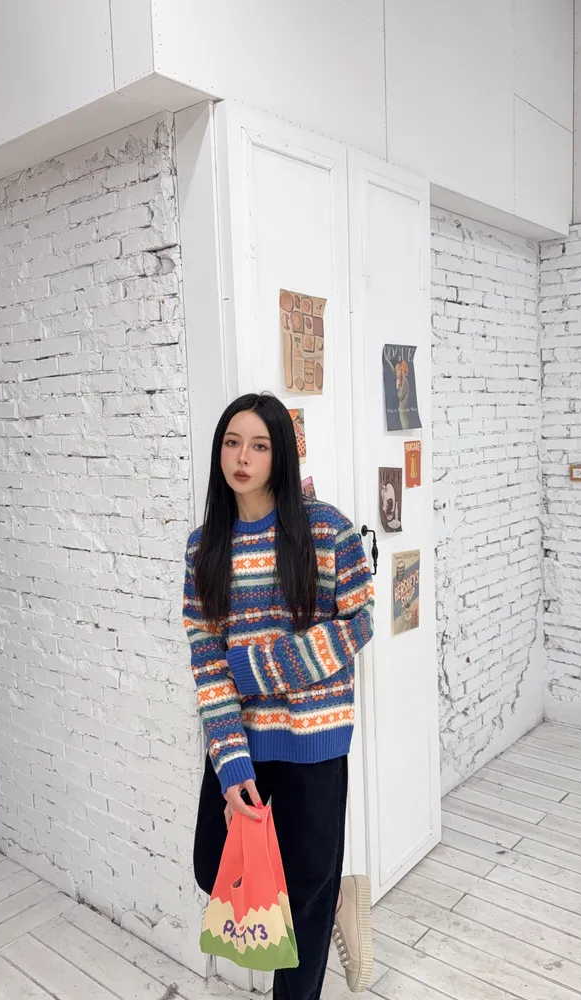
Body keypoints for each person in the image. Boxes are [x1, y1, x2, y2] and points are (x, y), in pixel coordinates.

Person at [184, 392, 375, 998]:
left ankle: (325, 910)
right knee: (212, 866)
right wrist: (231, 765)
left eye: (259, 445)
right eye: (232, 443)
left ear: (281, 455)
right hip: (241, 741)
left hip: (313, 740)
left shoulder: (326, 530)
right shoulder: (203, 547)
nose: (242, 457)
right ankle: (337, 895)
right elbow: (207, 661)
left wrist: (259, 669)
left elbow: (360, 621)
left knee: (305, 895)